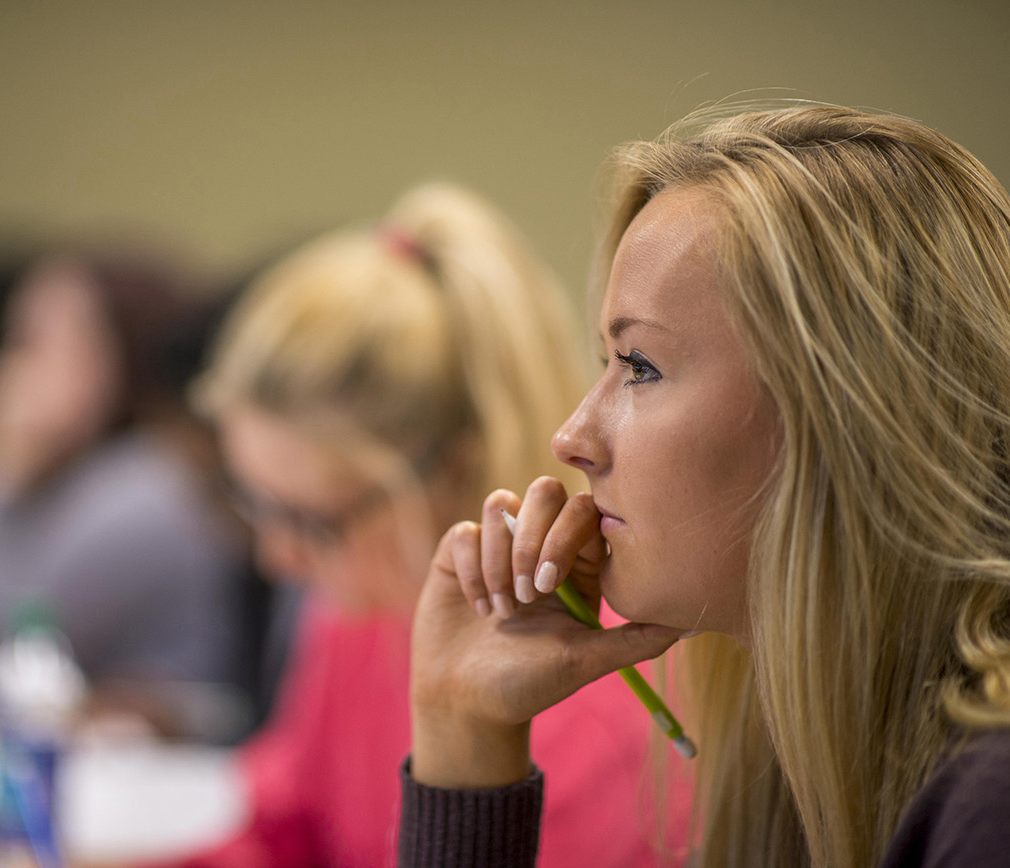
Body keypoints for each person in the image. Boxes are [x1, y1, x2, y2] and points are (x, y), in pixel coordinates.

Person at [399, 104, 1010, 868]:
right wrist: (463, 730)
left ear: (844, 412)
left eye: (638, 365)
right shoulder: (804, 745)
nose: (570, 438)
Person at [159, 183, 692, 868]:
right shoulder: (359, 615)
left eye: (312, 522)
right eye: (253, 502)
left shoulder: (577, 689)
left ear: (453, 471)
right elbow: (280, 830)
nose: (277, 557)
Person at [0, 248, 275, 742]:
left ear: (119, 355)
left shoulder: (145, 488)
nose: (8, 372)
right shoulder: (93, 473)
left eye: (37, 344)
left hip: (165, 778)